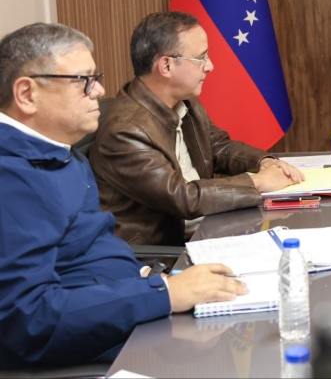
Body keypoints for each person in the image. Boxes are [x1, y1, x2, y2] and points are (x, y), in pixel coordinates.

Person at [0, 23, 248, 367]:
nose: (100, 91)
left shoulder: (62, 154)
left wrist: (151, 279)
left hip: (123, 311)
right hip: (92, 351)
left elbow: (94, 251)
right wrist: (163, 294)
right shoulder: (11, 179)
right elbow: (26, 321)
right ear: (27, 94)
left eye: (96, 78)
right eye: (83, 81)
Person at [89, 12, 303, 246]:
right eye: (201, 58)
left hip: (208, 230)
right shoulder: (125, 130)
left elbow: (219, 147)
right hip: (164, 253)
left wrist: (265, 162)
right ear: (166, 65)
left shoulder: (184, 103)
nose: (210, 66)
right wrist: (257, 182)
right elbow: (183, 198)